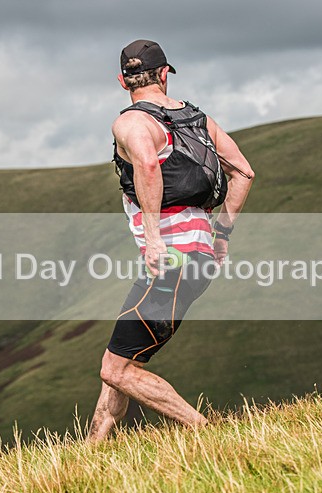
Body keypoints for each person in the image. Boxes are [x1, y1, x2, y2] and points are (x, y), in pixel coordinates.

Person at [87, 39, 254, 442]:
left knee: (116, 369)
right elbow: (244, 173)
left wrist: (154, 238)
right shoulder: (197, 119)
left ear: (122, 81)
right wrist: (222, 235)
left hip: (171, 259)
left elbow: (146, 164)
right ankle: (93, 446)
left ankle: (207, 434)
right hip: (196, 256)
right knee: (122, 357)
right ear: (164, 74)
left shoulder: (129, 123)